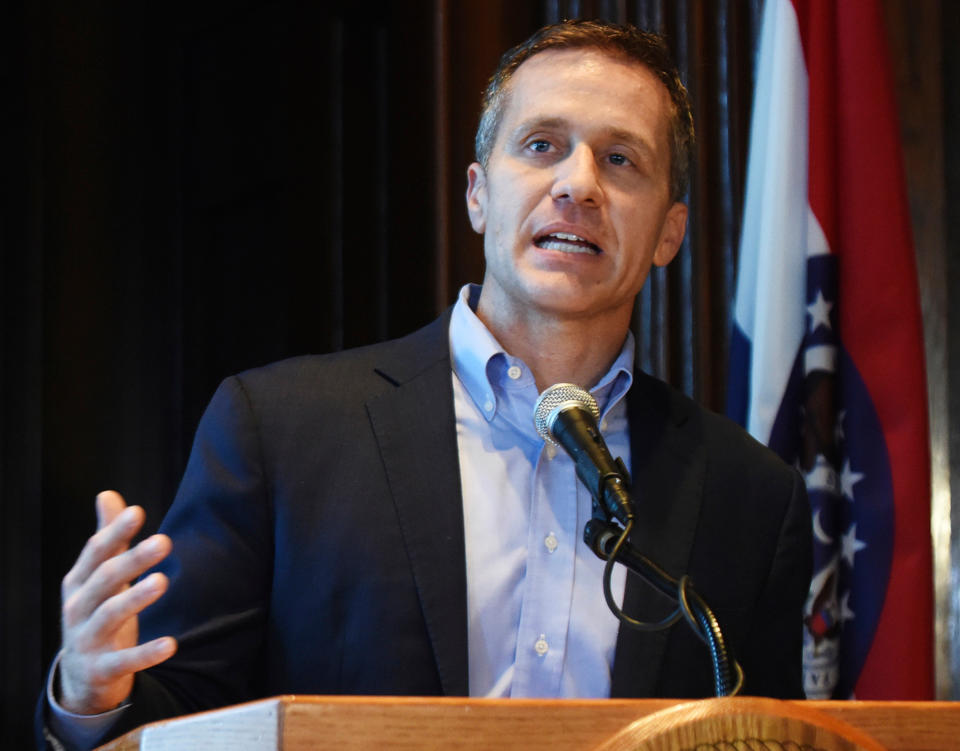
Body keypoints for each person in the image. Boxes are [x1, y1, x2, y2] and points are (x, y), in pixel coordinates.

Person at [38, 19, 812, 750]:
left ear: (669, 233)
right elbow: (179, 713)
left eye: (621, 159)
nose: (578, 184)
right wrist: (89, 693)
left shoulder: (750, 497)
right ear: (478, 194)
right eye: (542, 145)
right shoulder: (283, 431)